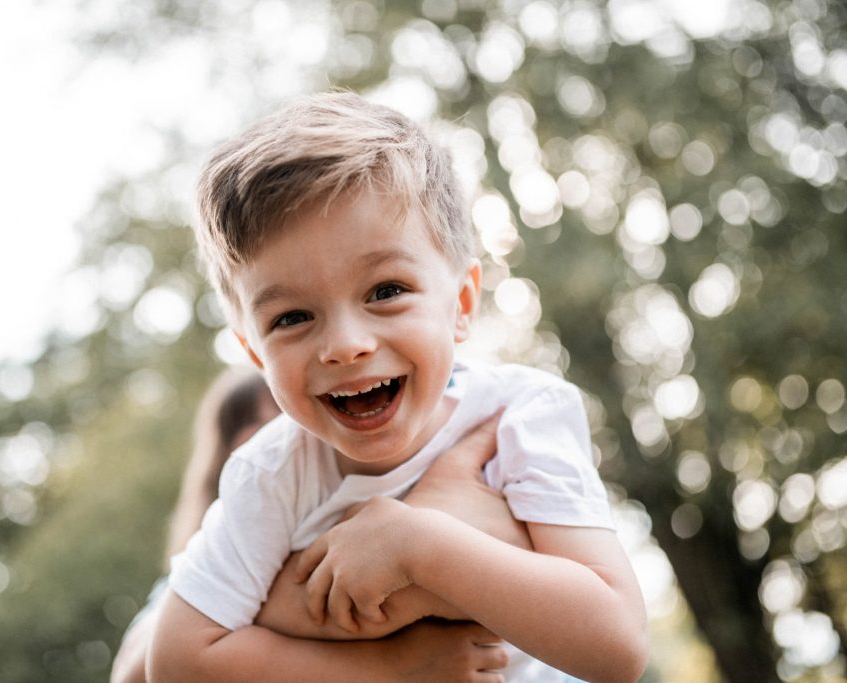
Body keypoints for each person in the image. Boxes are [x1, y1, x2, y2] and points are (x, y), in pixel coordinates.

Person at [149, 91, 648, 682]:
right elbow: (176, 662)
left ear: (460, 303)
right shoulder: (271, 476)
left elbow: (616, 645)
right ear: (255, 352)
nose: (344, 344)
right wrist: (391, 669)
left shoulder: (519, 416)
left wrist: (418, 545)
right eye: (291, 318)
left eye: (385, 291)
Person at [113, 370, 531, 683]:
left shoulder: (471, 462)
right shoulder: (210, 557)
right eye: (257, 430)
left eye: (284, 420)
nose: (281, 441)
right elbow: (137, 669)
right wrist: (393, 667)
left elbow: (528, 555)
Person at [111, 368, 279, 683]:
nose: (271, 429)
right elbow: (129, 673)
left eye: (281, 412)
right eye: (248, 421)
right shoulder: (204, 555)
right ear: (221, 455)